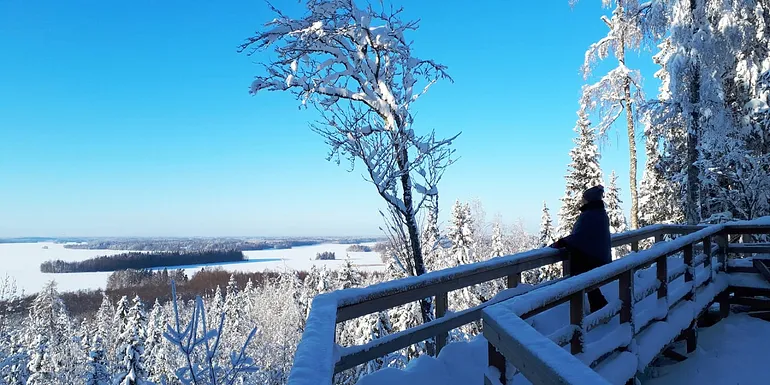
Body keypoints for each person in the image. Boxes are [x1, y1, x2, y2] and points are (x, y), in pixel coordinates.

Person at [550, 185, 611, 313]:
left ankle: (583, 310)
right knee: (589, 282)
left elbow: (580, 237)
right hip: (600, 256)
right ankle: (599, 306)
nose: (582, 201)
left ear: (589, 200)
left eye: (584, 199)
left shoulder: (589, 215)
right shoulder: (600, 213)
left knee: (581, 279)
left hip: (593, 258)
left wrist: (562, 242)